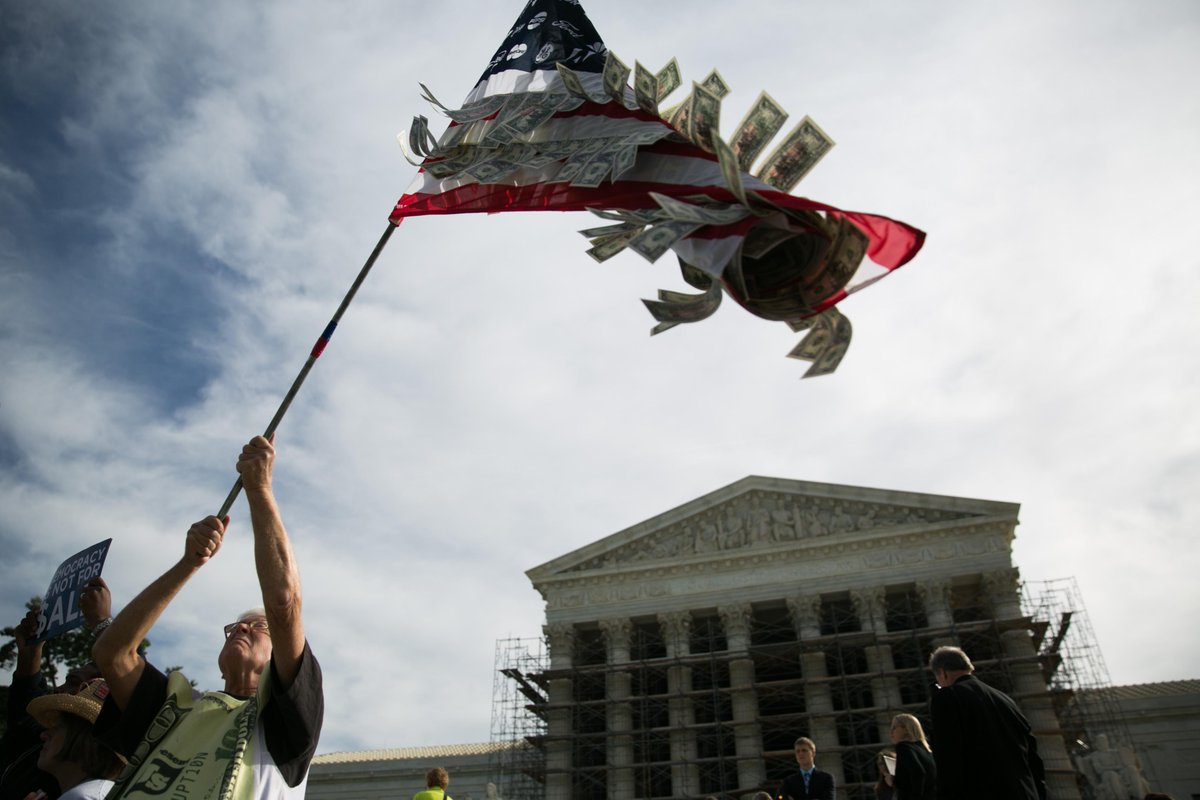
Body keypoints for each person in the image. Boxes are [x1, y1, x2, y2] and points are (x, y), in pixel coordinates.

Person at [91, 435, 324, 800]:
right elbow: (112, 653)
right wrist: (189, 562)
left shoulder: (285, 725)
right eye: (235, 627)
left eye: (258, 627)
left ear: (279, 657)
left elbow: (283, 603)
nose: (242, 627)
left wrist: (259, 490)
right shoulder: (174, 710)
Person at [1, 579, 113, 800]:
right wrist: (31, 652)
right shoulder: (38, 742)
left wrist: (102, 622)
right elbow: (24, 705)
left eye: (72, 682)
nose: (57, 689)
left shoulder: (86, 794)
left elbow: (134, 683)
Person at [928, 646, 1046, 800]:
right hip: (1024, 792)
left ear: (943, 673)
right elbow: (1032, 754)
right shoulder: (1006, 700)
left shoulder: (947, 697)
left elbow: (949, 755)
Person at [25, 679, 125, 800]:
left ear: (87, 740)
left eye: (57, 727)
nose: (43, 735)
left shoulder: (82, 796)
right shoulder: (97, 792)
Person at [889, 713, 935, 800]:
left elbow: (918, 772)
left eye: (894, 727)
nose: (891, 732)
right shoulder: (925, 749)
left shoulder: (903, 747)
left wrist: (893, 780)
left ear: (906, 729)